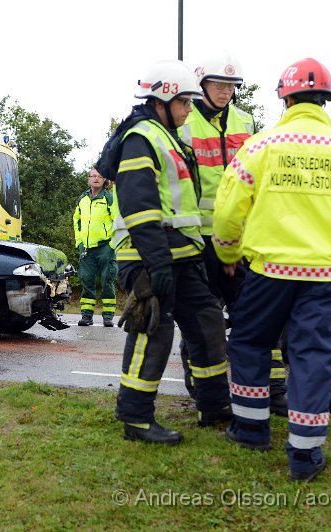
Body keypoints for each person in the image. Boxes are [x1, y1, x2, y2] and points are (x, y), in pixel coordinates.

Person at [213, 58, 331, 481]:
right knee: (312, 359)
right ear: (326, 98)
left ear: (285, 97)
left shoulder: (260, 146)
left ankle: (250, 428)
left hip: (268, 271)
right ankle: (304, 455)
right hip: (325, 278)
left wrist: (229, 256)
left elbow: (229, 213)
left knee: (249, 342)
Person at [109, 59, 229, 445]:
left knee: (208, 325)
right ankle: (136, 419)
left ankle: (214, 408)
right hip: (148, 256)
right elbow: (139, 207)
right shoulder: (141, 138)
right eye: (184, 102)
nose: (190, 109)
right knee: (153, 331)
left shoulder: (167, 135)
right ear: (162, 99)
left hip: (180, 256)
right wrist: (157, 262)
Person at [178, 50, 289, 418]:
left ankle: (273, 392)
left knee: (257, 316)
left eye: (230, 85)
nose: (225, 91)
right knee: (200, 321)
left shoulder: (246, 120)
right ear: (201, 85)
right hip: (198, 238)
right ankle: (205, 392)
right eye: (218, 84)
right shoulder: (184, 121)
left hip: (240, 239)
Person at [73, 168, 117, 327]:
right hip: (86, 248)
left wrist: (113, 244)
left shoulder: (109, 198)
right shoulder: (82, 199)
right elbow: (76, 220)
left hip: (106, 246)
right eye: (93, 176)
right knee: (86, 280)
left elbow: (117, 221)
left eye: (99, 176)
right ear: (88, 179)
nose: (96, 179)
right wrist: (79, 242)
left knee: (107, 280)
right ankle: (86, 316)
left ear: (104, 180)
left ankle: (108, 316)